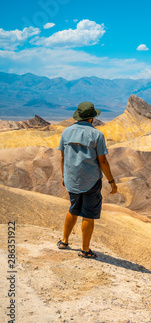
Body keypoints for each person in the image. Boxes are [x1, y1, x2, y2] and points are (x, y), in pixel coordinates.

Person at [56, 102, 118, 258]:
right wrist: (111, 181)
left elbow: (62, 157)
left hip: (72, 179)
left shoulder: (67, 132)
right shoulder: (97, 135)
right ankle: (85, 250)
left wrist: (64, 176)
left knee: (73, 208)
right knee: (88, 214)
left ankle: (64, 241)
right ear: (92, 118)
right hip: (91, 181)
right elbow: (102, 161)